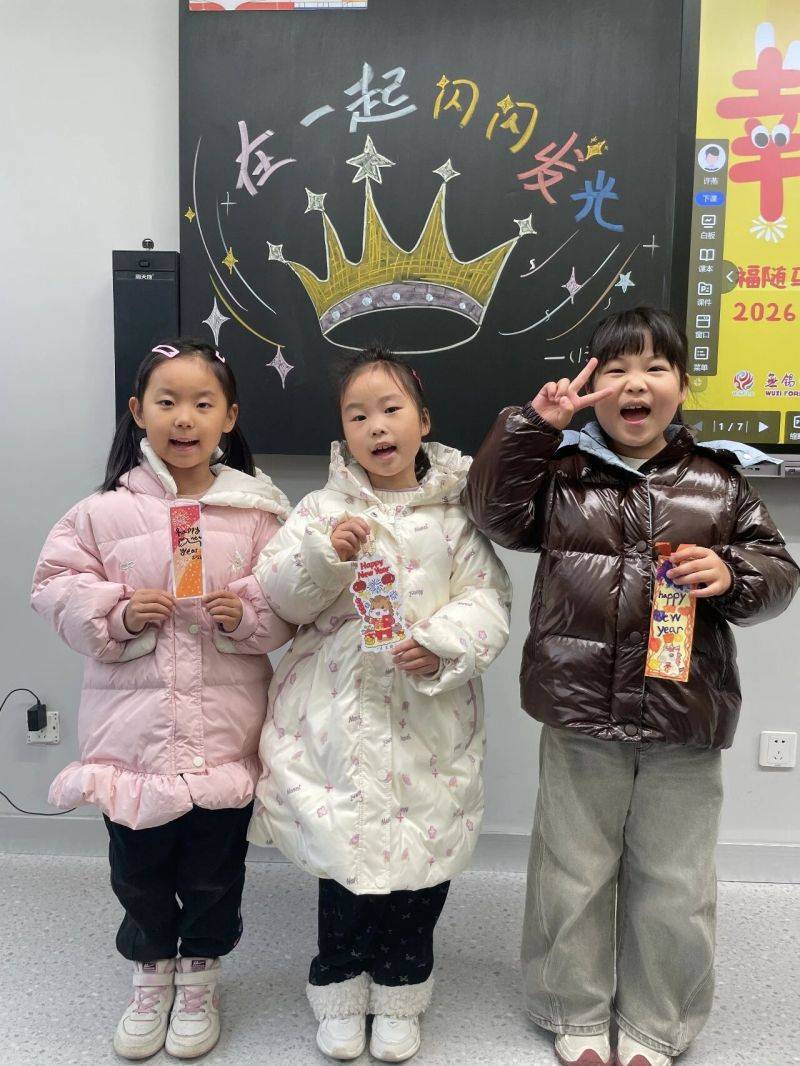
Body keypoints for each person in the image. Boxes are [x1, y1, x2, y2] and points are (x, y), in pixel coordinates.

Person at [464, 308, 799, 1066]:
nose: (634, 383)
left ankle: (657, 1019)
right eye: (614, 369)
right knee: (572, 869)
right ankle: (572, 1006)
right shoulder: (562, 472)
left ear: (682, 385)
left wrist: (733, 573)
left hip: (686, 714)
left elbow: (779, 572)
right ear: (593, 388)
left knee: (676, 879)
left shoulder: (719, 480)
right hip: (579, 709)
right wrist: (532, 427)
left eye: (654, 368)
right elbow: (490, 512)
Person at [31, 340, 293, 1060]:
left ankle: (200, 977)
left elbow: (289, 601)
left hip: (223, 737)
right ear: (137, 411)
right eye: (167, 401)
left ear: (229, 416)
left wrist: (247, 616)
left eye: (203, 403)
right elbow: (52, 586)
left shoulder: (258, 514)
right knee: (139, 869)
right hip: (132, 739)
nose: (184, 418)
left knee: (214, 874)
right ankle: (151, 974)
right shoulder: (99, 513)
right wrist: (115, 612)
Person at [249, 347, 511, 1061]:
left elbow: (488, 600)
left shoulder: (457, 514)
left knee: (421, 857)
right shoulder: (321, 509)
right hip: (337, 713)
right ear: (344, 431)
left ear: (423, 421)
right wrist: (326, 555)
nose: (376, 427)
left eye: (391, 409)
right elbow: (279, 595)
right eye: (357, 415)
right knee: (345, 856)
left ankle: (401, 987)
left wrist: (442, 645)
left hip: (428, 716)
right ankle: (339, 980)